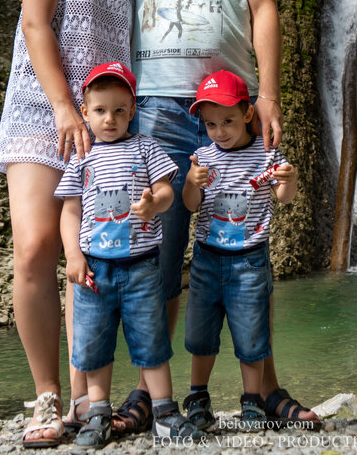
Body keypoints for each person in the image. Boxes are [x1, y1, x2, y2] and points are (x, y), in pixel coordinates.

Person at [113, 0, 321, 431]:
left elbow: (263, 7)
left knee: (247, 250)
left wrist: (271, 94)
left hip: (227, 110)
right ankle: (152, 392)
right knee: (159, 250)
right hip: (153, 105)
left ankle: (269, 388)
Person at [0, 0, 160, 447]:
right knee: (35, 246)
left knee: (82, 255)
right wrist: (63, 105)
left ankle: (85, 398)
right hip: (44, 115)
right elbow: (37, 25)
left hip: (102, 128)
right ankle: (45, 397)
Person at [56, 62, 205, 445]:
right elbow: (70, 209)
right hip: (95, 270)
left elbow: (167, 190)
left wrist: (154, 204)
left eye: (120, 110)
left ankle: (165, 413)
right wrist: (73, 255)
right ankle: (97, 414)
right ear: (85, 112)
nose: (111, 119)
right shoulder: (82, 155)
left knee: (152, 342)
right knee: (94, 344)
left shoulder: (145, 147)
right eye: (101, 111)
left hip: (141, 267)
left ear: (133, 111)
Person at [181, 70, 298, 431]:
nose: (220, 131)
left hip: (249, 260)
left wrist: (289, 180)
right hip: (206, 258)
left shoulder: (266, 154)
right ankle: (198, 397)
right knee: (200, 335)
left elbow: (283, 197)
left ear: (248, 114)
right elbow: (190, 205)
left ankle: (253, 401)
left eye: (228, 121)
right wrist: (190, 182)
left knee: (252, 335)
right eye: (211, 124)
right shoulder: (202, 157)